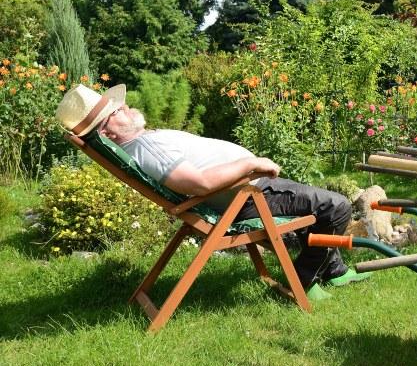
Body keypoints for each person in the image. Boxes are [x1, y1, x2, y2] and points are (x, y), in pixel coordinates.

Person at [56, 83, 370, 300]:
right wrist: (253, 164)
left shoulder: (141, 143)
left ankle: (335, 269)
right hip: (247, 194)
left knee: (320, 208)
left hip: (246, 189)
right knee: (337, 207)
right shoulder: (146, 149)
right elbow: (201, 184)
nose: (126, 106)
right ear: (106, 131)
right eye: (117, 110)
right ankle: (300, 281)